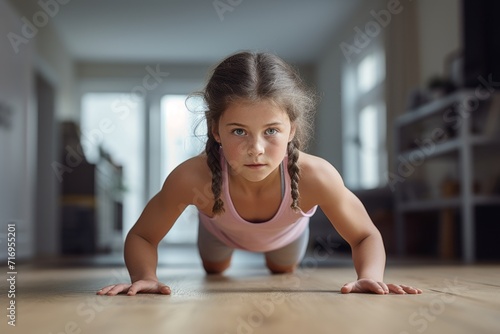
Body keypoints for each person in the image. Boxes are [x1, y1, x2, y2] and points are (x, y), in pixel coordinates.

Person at [97, 51, 422, 296]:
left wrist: (371, 275)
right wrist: (145, 277)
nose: (256, 148)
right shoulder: (192, 178)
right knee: (216, 271)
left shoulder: (316, 176)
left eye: (271, 131)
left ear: (291, 129)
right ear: (216, 130)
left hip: (287, 239)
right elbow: (142, 236)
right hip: (218, 236)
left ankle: (277, 258)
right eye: (239, 131)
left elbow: (365, 235)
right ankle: (218, 254)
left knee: (282, 271)